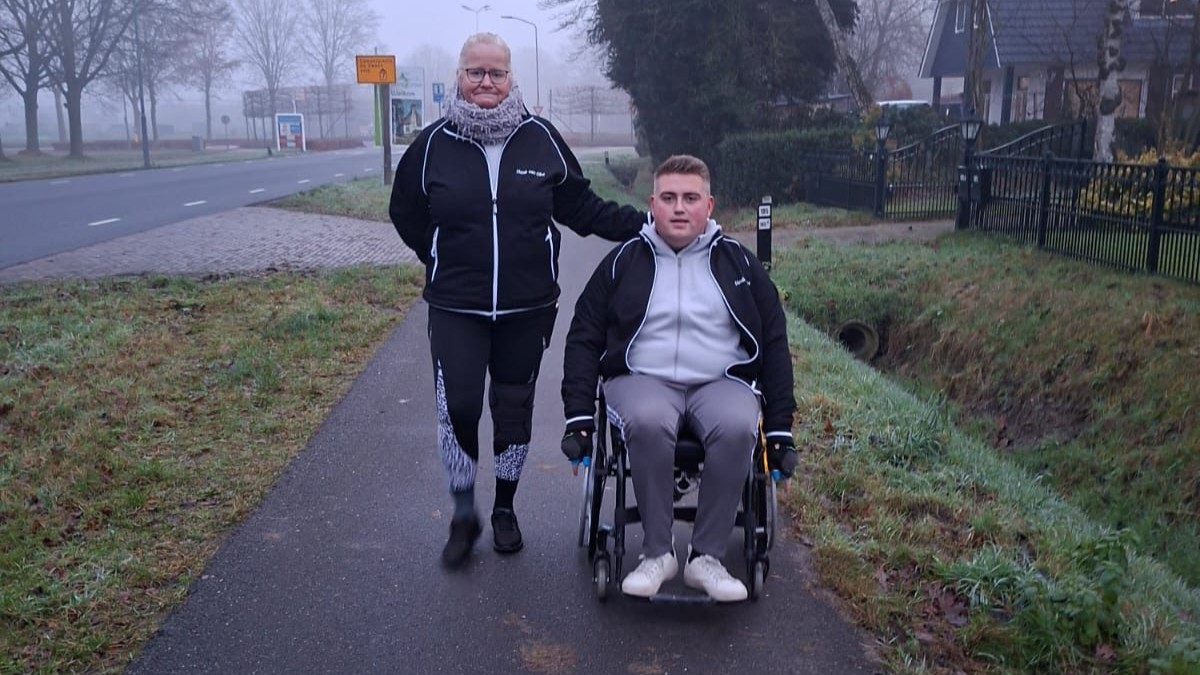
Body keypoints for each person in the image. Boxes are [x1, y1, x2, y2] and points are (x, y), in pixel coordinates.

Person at [389, 33, 646, 570]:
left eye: (497, 74)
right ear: (459, 77)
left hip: (527, 308)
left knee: (513, 411)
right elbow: (406, 213)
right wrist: (438, 256)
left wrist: (648, 224)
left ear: (512, 79)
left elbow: (583, 210)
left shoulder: (540, 139)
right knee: (456, 407)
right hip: (456, 307)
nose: (486, 83)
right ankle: (464, 514)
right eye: (476, 73)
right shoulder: (433, 143)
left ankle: (504, 508)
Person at [560, 155, 799, 602]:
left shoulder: (740, 265)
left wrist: (780, 429)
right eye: (668, 198)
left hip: (720, 380)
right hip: (642, 378)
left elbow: (774, 342)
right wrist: (578, 419)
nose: (679, 208)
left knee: (737, 425)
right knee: (648, 419)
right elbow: (583, 337)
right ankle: (657, 554)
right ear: (652, 203)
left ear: (709, 205)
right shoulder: (623, 261)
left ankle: (705, 558)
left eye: (690, 198)